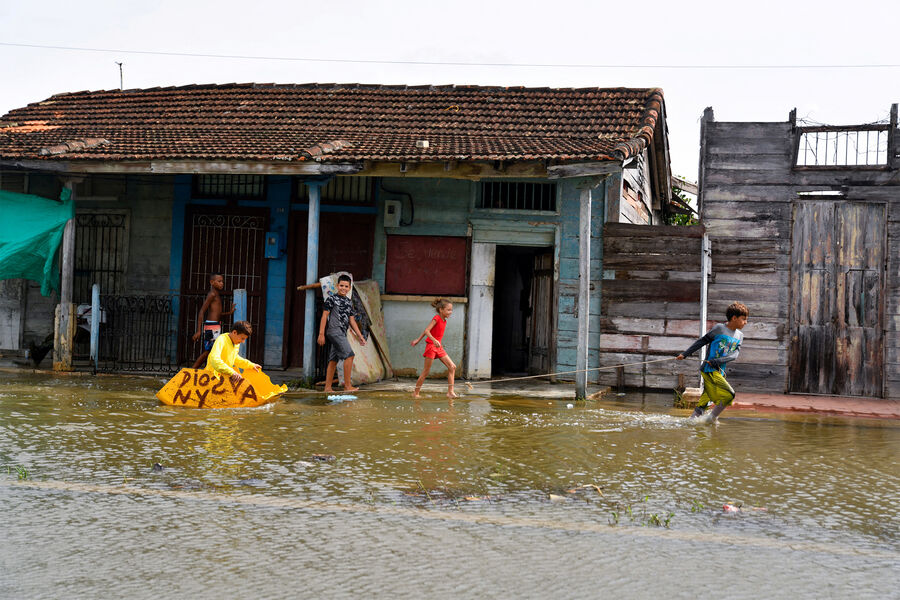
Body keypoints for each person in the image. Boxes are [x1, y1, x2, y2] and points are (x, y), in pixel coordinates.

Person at [676, 302, 749, 422]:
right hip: (709, 369)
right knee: (729, 394)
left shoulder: (740, 336)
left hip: (719, 370)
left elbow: (735, 354)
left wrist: (719, 361)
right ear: (734, 318)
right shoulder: (719, 328)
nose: (746, 322)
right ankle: (712, 418)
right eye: (744, 319)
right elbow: (702, 341)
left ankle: (690, 422)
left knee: (706, 400)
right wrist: (685, 354)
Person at [317, 274, 367, 393]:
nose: (343, 288)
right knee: (349, 355)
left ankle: (327, 388)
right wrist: (321, 334)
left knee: (333, 359)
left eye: (346, 286)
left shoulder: (349, 302)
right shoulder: (331, 299)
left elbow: (352, 321)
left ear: (349, 288)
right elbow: (324, 316)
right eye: (341, 286)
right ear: (337, 286)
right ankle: (347, 386)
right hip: (335, 332)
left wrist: (360, 336)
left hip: (341, 334)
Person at [411, 298, 458, 399]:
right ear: (441, 310)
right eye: (448, 310)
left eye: (451, 310)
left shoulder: (444, 321)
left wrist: (418, 340)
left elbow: (426, 331)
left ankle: (450, 392)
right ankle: (416, 393)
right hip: (432, 347)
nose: (451, 312)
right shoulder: (436, 318)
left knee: (452, 367)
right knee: (426, 371)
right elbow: (427, 330)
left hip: (438, 347)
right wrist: (433, 340)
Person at [191, 273, 235, 369]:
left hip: (215, 326)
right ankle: (191, 370)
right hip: (211, 327)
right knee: (209, 350)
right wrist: (198, 330)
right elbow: (202, 311)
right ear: (212, 282)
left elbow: (217, 314)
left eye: (222, 281)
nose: (221, 283)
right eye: (219, 281)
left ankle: (206, 369)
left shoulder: (216, 294)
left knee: (212, 350)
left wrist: (229, 313)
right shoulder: (212, 294)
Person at [205, 320, 261, 385]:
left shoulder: (236, 343)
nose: (243, 341)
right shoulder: (221, 340)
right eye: (242, 338)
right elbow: (215, 360)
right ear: (234, 332)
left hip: (223, 379)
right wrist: (232, 372)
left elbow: (234, 358)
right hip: (210, 378)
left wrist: (251, 365)